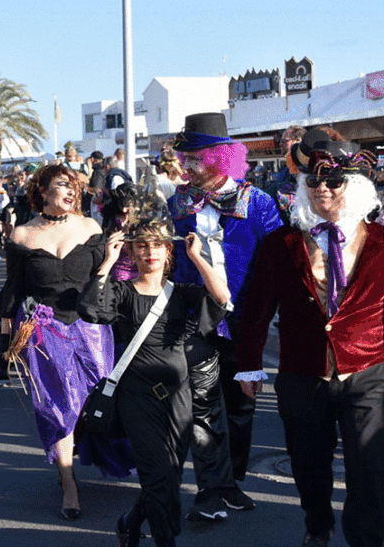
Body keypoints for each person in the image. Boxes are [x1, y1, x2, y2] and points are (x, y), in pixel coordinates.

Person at [235, 132, 384, 547]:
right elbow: (257, 307)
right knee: (308, 466)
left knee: (368, 468)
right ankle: (317, 526)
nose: (322, 189)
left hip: (367, 374)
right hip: (301, 372)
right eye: (313, 183)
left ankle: (366, 540)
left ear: (353, 186)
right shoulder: (280, 245)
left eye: (333, 182)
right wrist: (249, 363)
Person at [0, 163, 134, 521]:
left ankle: (104, 454)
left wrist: (117, 255)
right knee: (58, 407)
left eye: (75, 186)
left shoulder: (91, 228)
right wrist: (5, 340)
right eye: (62, 185)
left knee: (97, 402)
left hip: (89, 332)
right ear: (42, 191)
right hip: (43, 334)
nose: (72, 192)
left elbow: (109, 285)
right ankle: (68, 483)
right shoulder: (22, 236)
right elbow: (12, 292)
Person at [78, 221, 231, 547]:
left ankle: (130, 521)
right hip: (137, 396)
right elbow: (89, 307)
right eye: (142, 246)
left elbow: (221, 298)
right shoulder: (122, 291)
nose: (150, 252)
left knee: (168, 478)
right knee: (158, 475)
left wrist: (197, 257)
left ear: (167, 252)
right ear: (132, 253)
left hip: (178, 397)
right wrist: (108, 260)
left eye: (157, 246)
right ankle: (166, 540)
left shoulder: (181, 292)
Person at [166, 112, 282, 519]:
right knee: (201, 406)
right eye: (186, 158)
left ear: (219, 158)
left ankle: (230, 481)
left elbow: (277, 263)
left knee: (239, 407)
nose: (187, 167)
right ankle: (211, 488)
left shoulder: (260, 203)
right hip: (194, 318)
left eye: (194, 158)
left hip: (244, 321)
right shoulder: (177, 204)